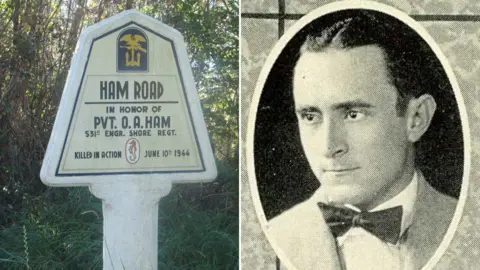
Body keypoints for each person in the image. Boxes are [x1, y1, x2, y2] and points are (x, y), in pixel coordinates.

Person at [266, 11, 458, 270]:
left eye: (353, 114)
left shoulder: (467, 227)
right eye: (310, 116)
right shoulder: (272, 239)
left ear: (416, 119)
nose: (329, 147)